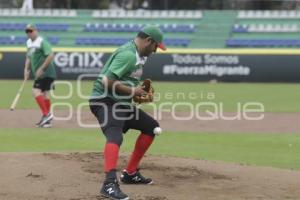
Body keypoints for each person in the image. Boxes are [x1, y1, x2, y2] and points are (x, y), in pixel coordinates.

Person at [89, 25, 166, 200]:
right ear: (148, 41)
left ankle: (130, 173)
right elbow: (107, 81)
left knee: (151, 127)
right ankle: (108, 184)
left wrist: (136, 92)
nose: (156, 50)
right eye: (156, 46)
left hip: (121, 103)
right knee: (115, 137)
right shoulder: (128, 55)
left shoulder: (138, 55)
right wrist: (133, 92)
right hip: (104, 101)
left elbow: (125, 82)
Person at [24, 24, 56, 128]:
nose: (29, 33)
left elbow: (51, 55)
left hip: (46, 72)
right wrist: (26, 69)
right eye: (27, 31)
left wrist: (42, 69)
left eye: (31, 31)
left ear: (36, 31)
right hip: (42, 73)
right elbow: (29, 57)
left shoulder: (42, 41)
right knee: (45, 93)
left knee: (35, 91)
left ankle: (46, 115)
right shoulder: (28, 43)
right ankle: (47, 121)